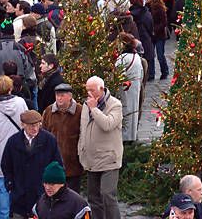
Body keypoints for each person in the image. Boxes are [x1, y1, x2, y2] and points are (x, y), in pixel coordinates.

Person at [1, 110, 63, 217]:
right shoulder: (13, 141)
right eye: (31, 126)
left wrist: (53, 187)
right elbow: (6, 165)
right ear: (23, 124)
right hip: (20, 193)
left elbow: (58, 165)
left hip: (42, 193)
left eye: (37, 125)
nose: (34, 128)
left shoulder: (49, 140)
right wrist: (10, 184)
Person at [78, 76, 123, 219]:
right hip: (91, 158)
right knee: (93, 197)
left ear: (102, 89)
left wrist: (94, 109)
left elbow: (108, 124)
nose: (89, 93)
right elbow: (83, 128)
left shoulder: (115, 105)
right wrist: (81, 149)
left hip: (109, 158)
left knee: (107, 194)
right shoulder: (86, 104)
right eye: (87, 90)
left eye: (92, 90)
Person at [0, 76, 28, 219]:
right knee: (20, 181)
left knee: (3, 186)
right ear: (11, 88)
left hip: (0, 150)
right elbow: (27, 123)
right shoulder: (21, 102)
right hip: (19, 148)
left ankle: (5, 215)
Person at [42, 83, 84, 193]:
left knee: (73, 195)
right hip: (54, 163)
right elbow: (43, 135)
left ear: (70, 96)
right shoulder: (49, 111)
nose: (59, 98)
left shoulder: (80, 111)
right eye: (57, 95)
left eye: (62, 95)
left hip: (73, 163)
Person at [116, 33, 144, 142]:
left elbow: (118, 75)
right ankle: (132, 136)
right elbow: (141, 74)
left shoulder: (122, 58)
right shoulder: (137, 57)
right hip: (135, 88)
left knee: (125, 112)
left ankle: (125, 138)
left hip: (125, 90)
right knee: (134, 111)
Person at [129, 0, 155, 81]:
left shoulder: (130, 15)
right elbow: (150, 25)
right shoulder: (145, 12)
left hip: (137, 38)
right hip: (145, 37)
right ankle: (151, 74)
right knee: (149, 57)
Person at [146, 0, 169, 80]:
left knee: (160, 55)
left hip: (159, 35)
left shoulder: (159, 8)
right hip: (151, 35)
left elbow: (163, 22)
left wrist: (155, 30)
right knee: (151, 55)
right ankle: (151, 74)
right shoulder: (146, 7)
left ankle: (165, 71)